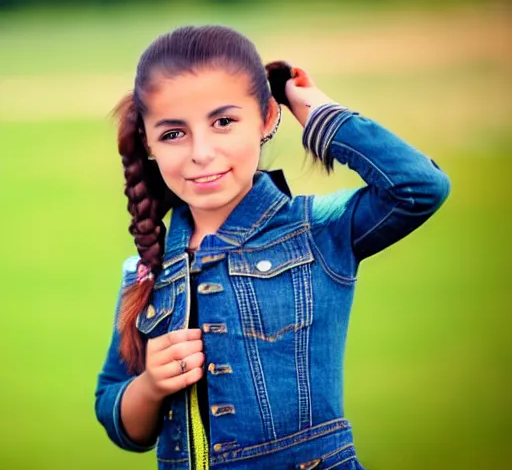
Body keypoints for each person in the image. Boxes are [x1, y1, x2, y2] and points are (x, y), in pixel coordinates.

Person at [94, 25, 450, 470]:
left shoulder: (318, 229)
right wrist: (150, 386)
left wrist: (316, 111)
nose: (201, 153)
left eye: (223, 122)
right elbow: (113, 410)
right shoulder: (148, 268)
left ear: (265, 119)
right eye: (173, 134)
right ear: (147, 142)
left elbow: (418, 188)